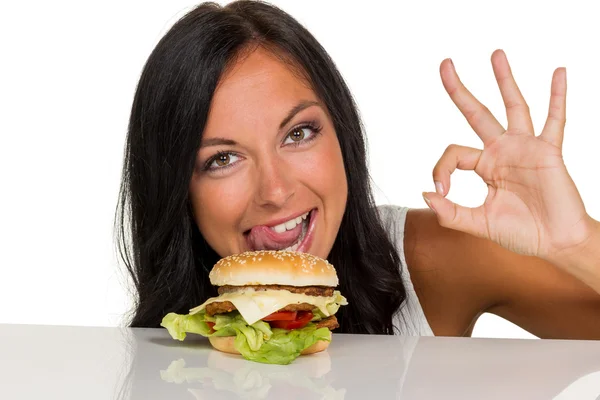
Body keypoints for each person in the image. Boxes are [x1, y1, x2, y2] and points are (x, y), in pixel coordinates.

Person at [115, 0, 600, 338]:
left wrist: (575, 242)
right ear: (176, 187)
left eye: (298, 133)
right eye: (223, 159)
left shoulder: (428, 258)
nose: (277, 191)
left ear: (342, 132)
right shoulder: (158, 347)